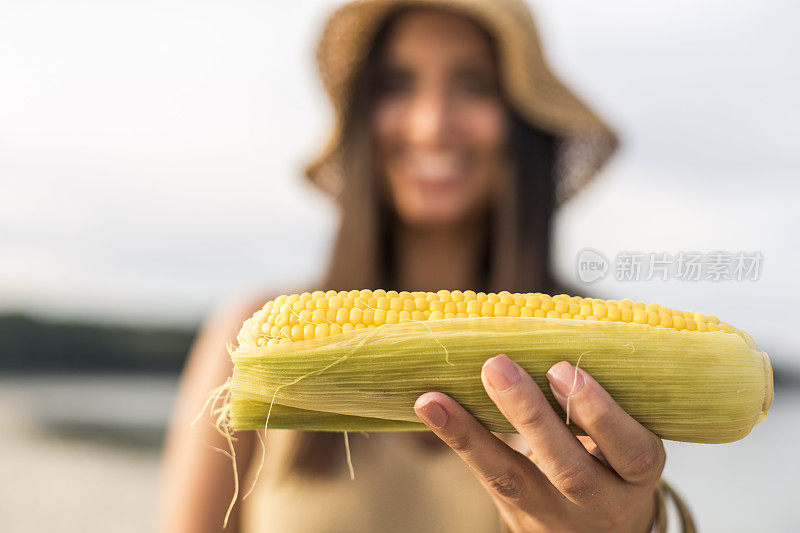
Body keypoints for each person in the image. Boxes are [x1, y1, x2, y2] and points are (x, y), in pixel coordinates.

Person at [159, 1, 694, 531]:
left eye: (474, 85)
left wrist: (638, 524)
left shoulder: (599, 352)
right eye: (395, 84)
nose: (431, 125)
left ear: (523, 120)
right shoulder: (250, 337)